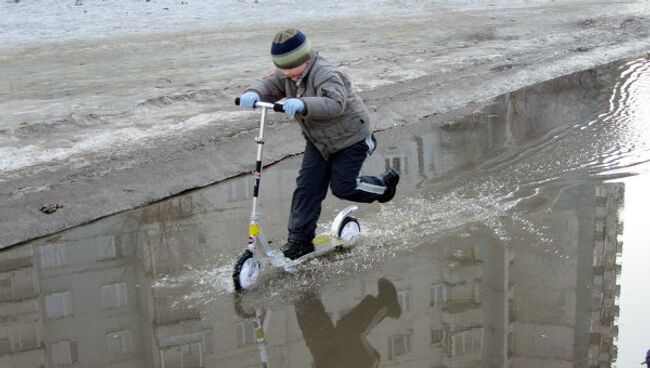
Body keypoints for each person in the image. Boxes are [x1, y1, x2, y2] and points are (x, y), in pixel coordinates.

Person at [239, 28, 399, 260]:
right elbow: (268, 85)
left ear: (304, 58)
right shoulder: (287, 74)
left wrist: (304, 104)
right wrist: (254, 92)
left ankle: (383, 187)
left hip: (351, 138)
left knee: (344, 187)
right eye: (281, 68)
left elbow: (335, 104)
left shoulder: (325, 73)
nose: (285, 73)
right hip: (320, 142)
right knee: (307, 189)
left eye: (289, 67)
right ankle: (300, 242)